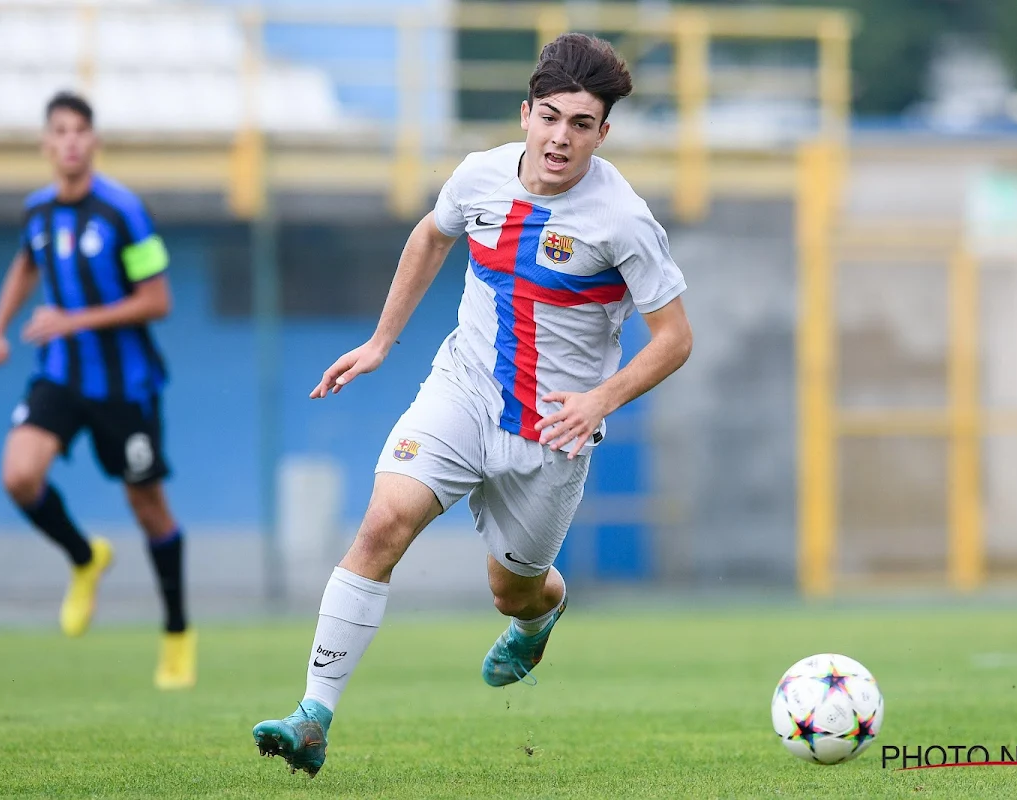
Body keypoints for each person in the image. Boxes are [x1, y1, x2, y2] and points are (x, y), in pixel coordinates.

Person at [253, 33, 692, 776]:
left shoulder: (623, 219)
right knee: (384, 522)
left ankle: (541, 614)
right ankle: (314, 716)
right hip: (462, 390)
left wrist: (598, 400)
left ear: (602, 133)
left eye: (580, 125)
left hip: (551, 430)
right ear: (525, 113)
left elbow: (674, 338)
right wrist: (381, 342)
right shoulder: (479, 176)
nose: (560, 138)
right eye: (549, 117)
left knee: (510, 590)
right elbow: (431, 236)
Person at [0, 91, 195, 690]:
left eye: (80, 130)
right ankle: (83, 555)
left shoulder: (125, 211)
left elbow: (159, 299)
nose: (70, 140)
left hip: (126, 387)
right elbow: (26, 263)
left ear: (93, 141)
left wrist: (71, 319)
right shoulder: (38, 212)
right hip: (60, 376)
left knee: (146, 506)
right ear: (46, 144)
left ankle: (176, 634)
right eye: (59, 131)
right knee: (19, 475)